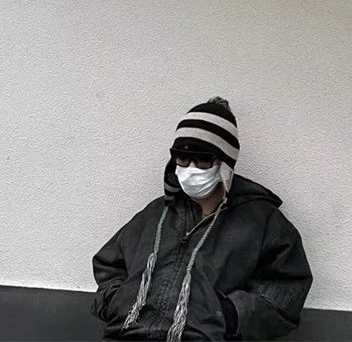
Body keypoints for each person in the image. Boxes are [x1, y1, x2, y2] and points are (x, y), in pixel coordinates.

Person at [90, 97, 313, 341]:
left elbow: (287, 290)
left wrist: (230, 314)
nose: (190, 167)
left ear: (224, 163)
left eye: (202, 159)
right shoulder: (157, 213)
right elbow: (108, 264)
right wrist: (117, 302)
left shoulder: (262, 221)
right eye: (182, 157)